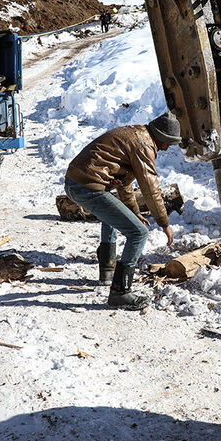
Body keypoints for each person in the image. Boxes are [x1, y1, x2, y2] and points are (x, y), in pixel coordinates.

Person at [63, 112, 180, 310]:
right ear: (161, 136)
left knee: (112, 216)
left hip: (77, 181)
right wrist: (164, 223)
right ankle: (121, 292)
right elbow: (150, 188)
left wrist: (133, 211)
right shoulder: (144, 145)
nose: (167, 147)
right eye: (168, 142)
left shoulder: (135, 135)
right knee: (138, 233)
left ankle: (107, 271)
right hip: (86, 186)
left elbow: (124, 182)